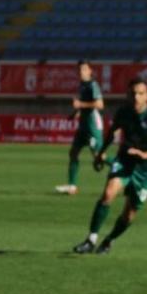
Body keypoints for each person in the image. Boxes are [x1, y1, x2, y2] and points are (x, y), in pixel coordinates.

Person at [71, 78, 147, 254]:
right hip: (125, 160)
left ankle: (109, 240)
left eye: (140, 93)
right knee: (108, 194)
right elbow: (111, 133)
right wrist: (101, 153)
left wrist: (145, 155)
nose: (136, 97)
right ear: (127, 95)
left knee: (129, 213)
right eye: (133, 93)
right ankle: (91, 240)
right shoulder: (123, 112)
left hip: (146, 170)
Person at [56, 60, 105, 195]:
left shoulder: (93, 85)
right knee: (73, 152)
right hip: (83, 125)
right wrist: (75, 113)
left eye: (84, 69)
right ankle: (72, 186)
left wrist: (80, 105)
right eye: (79, 70)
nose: (81, 72)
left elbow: (100, 104)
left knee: (99, 157)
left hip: (93, 125)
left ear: (90, 71)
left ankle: (127, 170)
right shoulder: (82, 86)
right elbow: (83, 104)